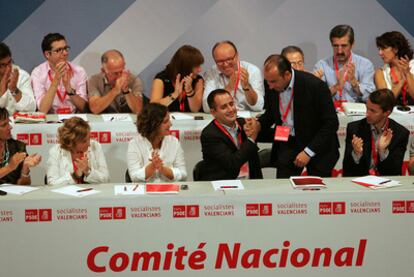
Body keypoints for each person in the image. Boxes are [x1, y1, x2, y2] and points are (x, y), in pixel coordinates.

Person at [259, 54, 339, 178]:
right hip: (289, 141)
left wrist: (308, 152)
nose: (270, 86)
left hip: (317, 144)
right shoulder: (270, 82)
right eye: (268, 81)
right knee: (283, 189)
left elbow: (331, 123)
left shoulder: (315, 86)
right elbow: (270, 114)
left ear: (287, 75)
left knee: (316, 192)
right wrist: (257, 124)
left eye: (273, 81)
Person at [343, 89, 409, 176]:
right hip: (361, 182)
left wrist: (382, 152)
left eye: (373, 111)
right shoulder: (354, 128)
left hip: (386, 183)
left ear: (386, 113)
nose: (367, 114)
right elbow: (347, 170)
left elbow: (395, 172)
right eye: (367, 108)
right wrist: (356, 154)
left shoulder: (400, 133)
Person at [199, 89, 262, 181]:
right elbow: (232, 164)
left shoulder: (244, 124)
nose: (231, 109)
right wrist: (251, 138)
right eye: (224, 107)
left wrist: (258, 126)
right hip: (224, 186)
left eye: (231, 104)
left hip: (252, 183)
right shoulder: (209, 134)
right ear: (213, 112)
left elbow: (269, 135)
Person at [314, 25, 375, 105]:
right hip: (330, 113)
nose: (339, 51)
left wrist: (354, 83)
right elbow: (317, 98)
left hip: (357, 115)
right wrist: (336, 86)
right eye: (335, 46)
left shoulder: (365, 64)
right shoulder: (321, 65)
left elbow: (370, 97)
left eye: (344, 46)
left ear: (352, 44)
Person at [127, 103, 187, 182]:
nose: (170, 124)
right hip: (144, 192)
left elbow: (183, 175)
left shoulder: (174, 142)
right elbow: (134, 177)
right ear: (153, 125)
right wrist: (152, 166)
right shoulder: (134, 144)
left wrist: (163, 169)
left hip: (170, 192)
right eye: (165, 122)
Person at [31, 33, 88, 114]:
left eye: (65, 48)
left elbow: (84, 108)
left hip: (75, 120)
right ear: (47, 54)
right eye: (58, 50)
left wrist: (69, 89)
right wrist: (56, 80)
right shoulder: (38, 73)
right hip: (50, 121)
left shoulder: (79, 71)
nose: (65, 53)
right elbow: (42, 110)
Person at [203, 40, 264, 112]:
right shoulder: (211, 73)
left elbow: (258, 107)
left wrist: (247, 87)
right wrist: (229, 88)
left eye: (229, 59)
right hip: (222, 118)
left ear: (237, 56)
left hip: (247, 118)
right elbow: (206, 107)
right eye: (220, 61)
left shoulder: (252, 71)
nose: (225, 64)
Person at [47, 117, 110, 185]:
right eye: (84, 141)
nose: (89, 144)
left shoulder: (95, 146)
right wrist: (75, 175)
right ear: (71, 142)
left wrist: (88, 171)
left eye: (89, 138)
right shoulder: (56, 151)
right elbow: (52, 183)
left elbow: (106, 179)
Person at [150, 45, 204, 112]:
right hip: (166, 120)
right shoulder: (161, 78)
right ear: (186, 66)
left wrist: (190, 92)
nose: (200, 70)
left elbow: (195, 109)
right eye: (197, 66)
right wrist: (174, 95)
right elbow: (153, 107)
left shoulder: (198, 80)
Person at [88, 50, 144, 114]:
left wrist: (126, 91)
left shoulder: (133, 80)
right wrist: (115, 90)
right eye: (115, 73)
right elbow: (95, 109)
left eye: (121, 71)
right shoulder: (94, 80)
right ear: (103, 71)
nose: (120, 76)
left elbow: (138, 110)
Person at [0, 108, 41, 185]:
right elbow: (10, 167)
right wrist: (10, 167)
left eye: (9, 123)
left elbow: (24, 185)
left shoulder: (18, 147)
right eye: (4, 125)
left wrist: (25, 169)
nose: (10, 127)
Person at [374, 31, 414, 109]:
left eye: (383, 48)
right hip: (393, 116)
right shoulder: (380, 72)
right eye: (379, 49)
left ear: (395, 49)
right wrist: (401, 82)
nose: (380, 53)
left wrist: (408, 74)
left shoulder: (413, 66)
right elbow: (384, 102)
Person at [0, 43, 36, 114]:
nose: (8, 68)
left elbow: (31, 108)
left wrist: (14, 90)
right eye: (3, 65)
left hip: (17, 124)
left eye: (9, 62)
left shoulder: (22, 75)